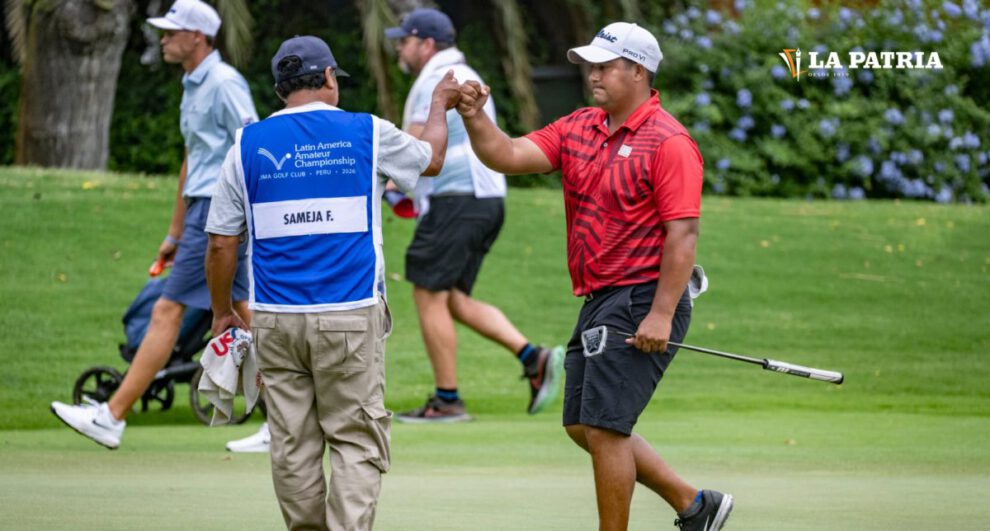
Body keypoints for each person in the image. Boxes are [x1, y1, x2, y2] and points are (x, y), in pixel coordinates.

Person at [454, 22, 733, 531]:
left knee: (604, 428)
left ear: (639, 72)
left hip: (643, 297)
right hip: (601, 297)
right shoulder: (580, 127)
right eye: (591, 65)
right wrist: (474, 118)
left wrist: (662, 315)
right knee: (583, 425)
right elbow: (508, 154)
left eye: (605, 66)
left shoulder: (669, 142)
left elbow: (683, 237)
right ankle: (694, 505)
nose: (593, 75)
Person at [204, 35, 461, 530]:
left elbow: (220, 244)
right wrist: (438, 104)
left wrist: (221, 313)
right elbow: (430, 158)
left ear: (281, 88)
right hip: (351, 312)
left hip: (274, 319)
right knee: (355, 440)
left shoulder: (247, 143)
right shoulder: (365, 131)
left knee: (292, 445)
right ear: (327, 79)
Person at [51, 0, 257, 450]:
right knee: (248, 312)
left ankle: (112, 415)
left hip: (221, 212)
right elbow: (193, 160)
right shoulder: (192, 83)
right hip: (204, 211)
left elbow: (252, 148)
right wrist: (175, 233)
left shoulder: (223, 83)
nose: (163, 39)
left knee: (168, 310)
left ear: (198, 37)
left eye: (172, 32)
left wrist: (236, 222)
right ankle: (289, 419)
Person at [384, 7, 563, 423]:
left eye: (405, 40)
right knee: (452, 298)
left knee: (428, 293)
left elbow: (411, 150)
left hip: (458, 201)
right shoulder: (457, 71)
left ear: (426, 44)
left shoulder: (436, 78)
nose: (399, 47)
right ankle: (532, 357)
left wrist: (377, 187)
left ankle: (447, 400)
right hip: (483, 200)